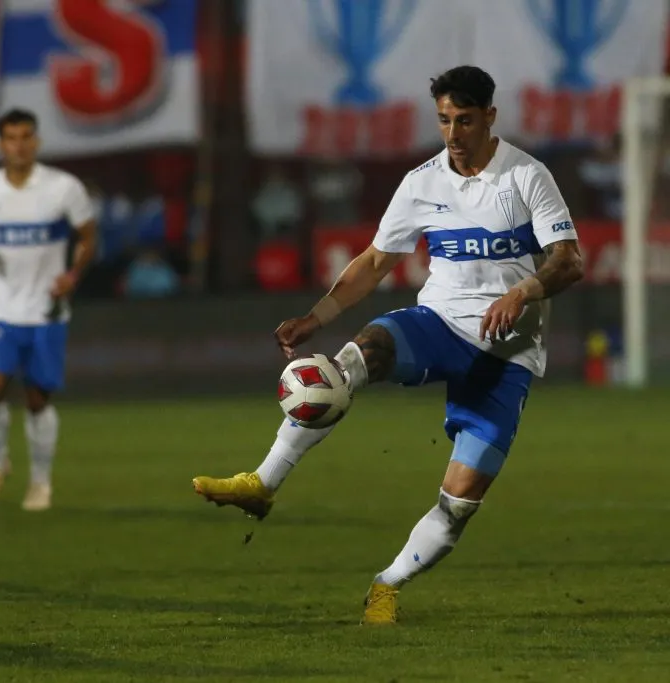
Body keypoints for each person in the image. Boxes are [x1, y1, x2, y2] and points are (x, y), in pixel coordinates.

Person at [192, 66, 585, 625]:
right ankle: (263, 482)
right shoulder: (422, 181)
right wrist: (317, 315)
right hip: (440, 322)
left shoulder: (526, 176)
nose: (453, 132)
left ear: (490, 117)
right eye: (445, 119)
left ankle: (387, 584)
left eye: (466, 120)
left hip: (506, 353)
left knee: (459, 503)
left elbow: (569, 260)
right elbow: (377, 261)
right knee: (364, 351)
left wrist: (522, 291)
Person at [0, 109, 97, 512]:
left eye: (26, 136)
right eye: (11, 137)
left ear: (36, 141)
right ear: (0, 144)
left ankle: (40, 482)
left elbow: (88, 237)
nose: (19, 145)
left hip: (47, 310)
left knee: (38, 399)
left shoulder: (63, 188)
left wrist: (73, 274)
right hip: (0, 307)